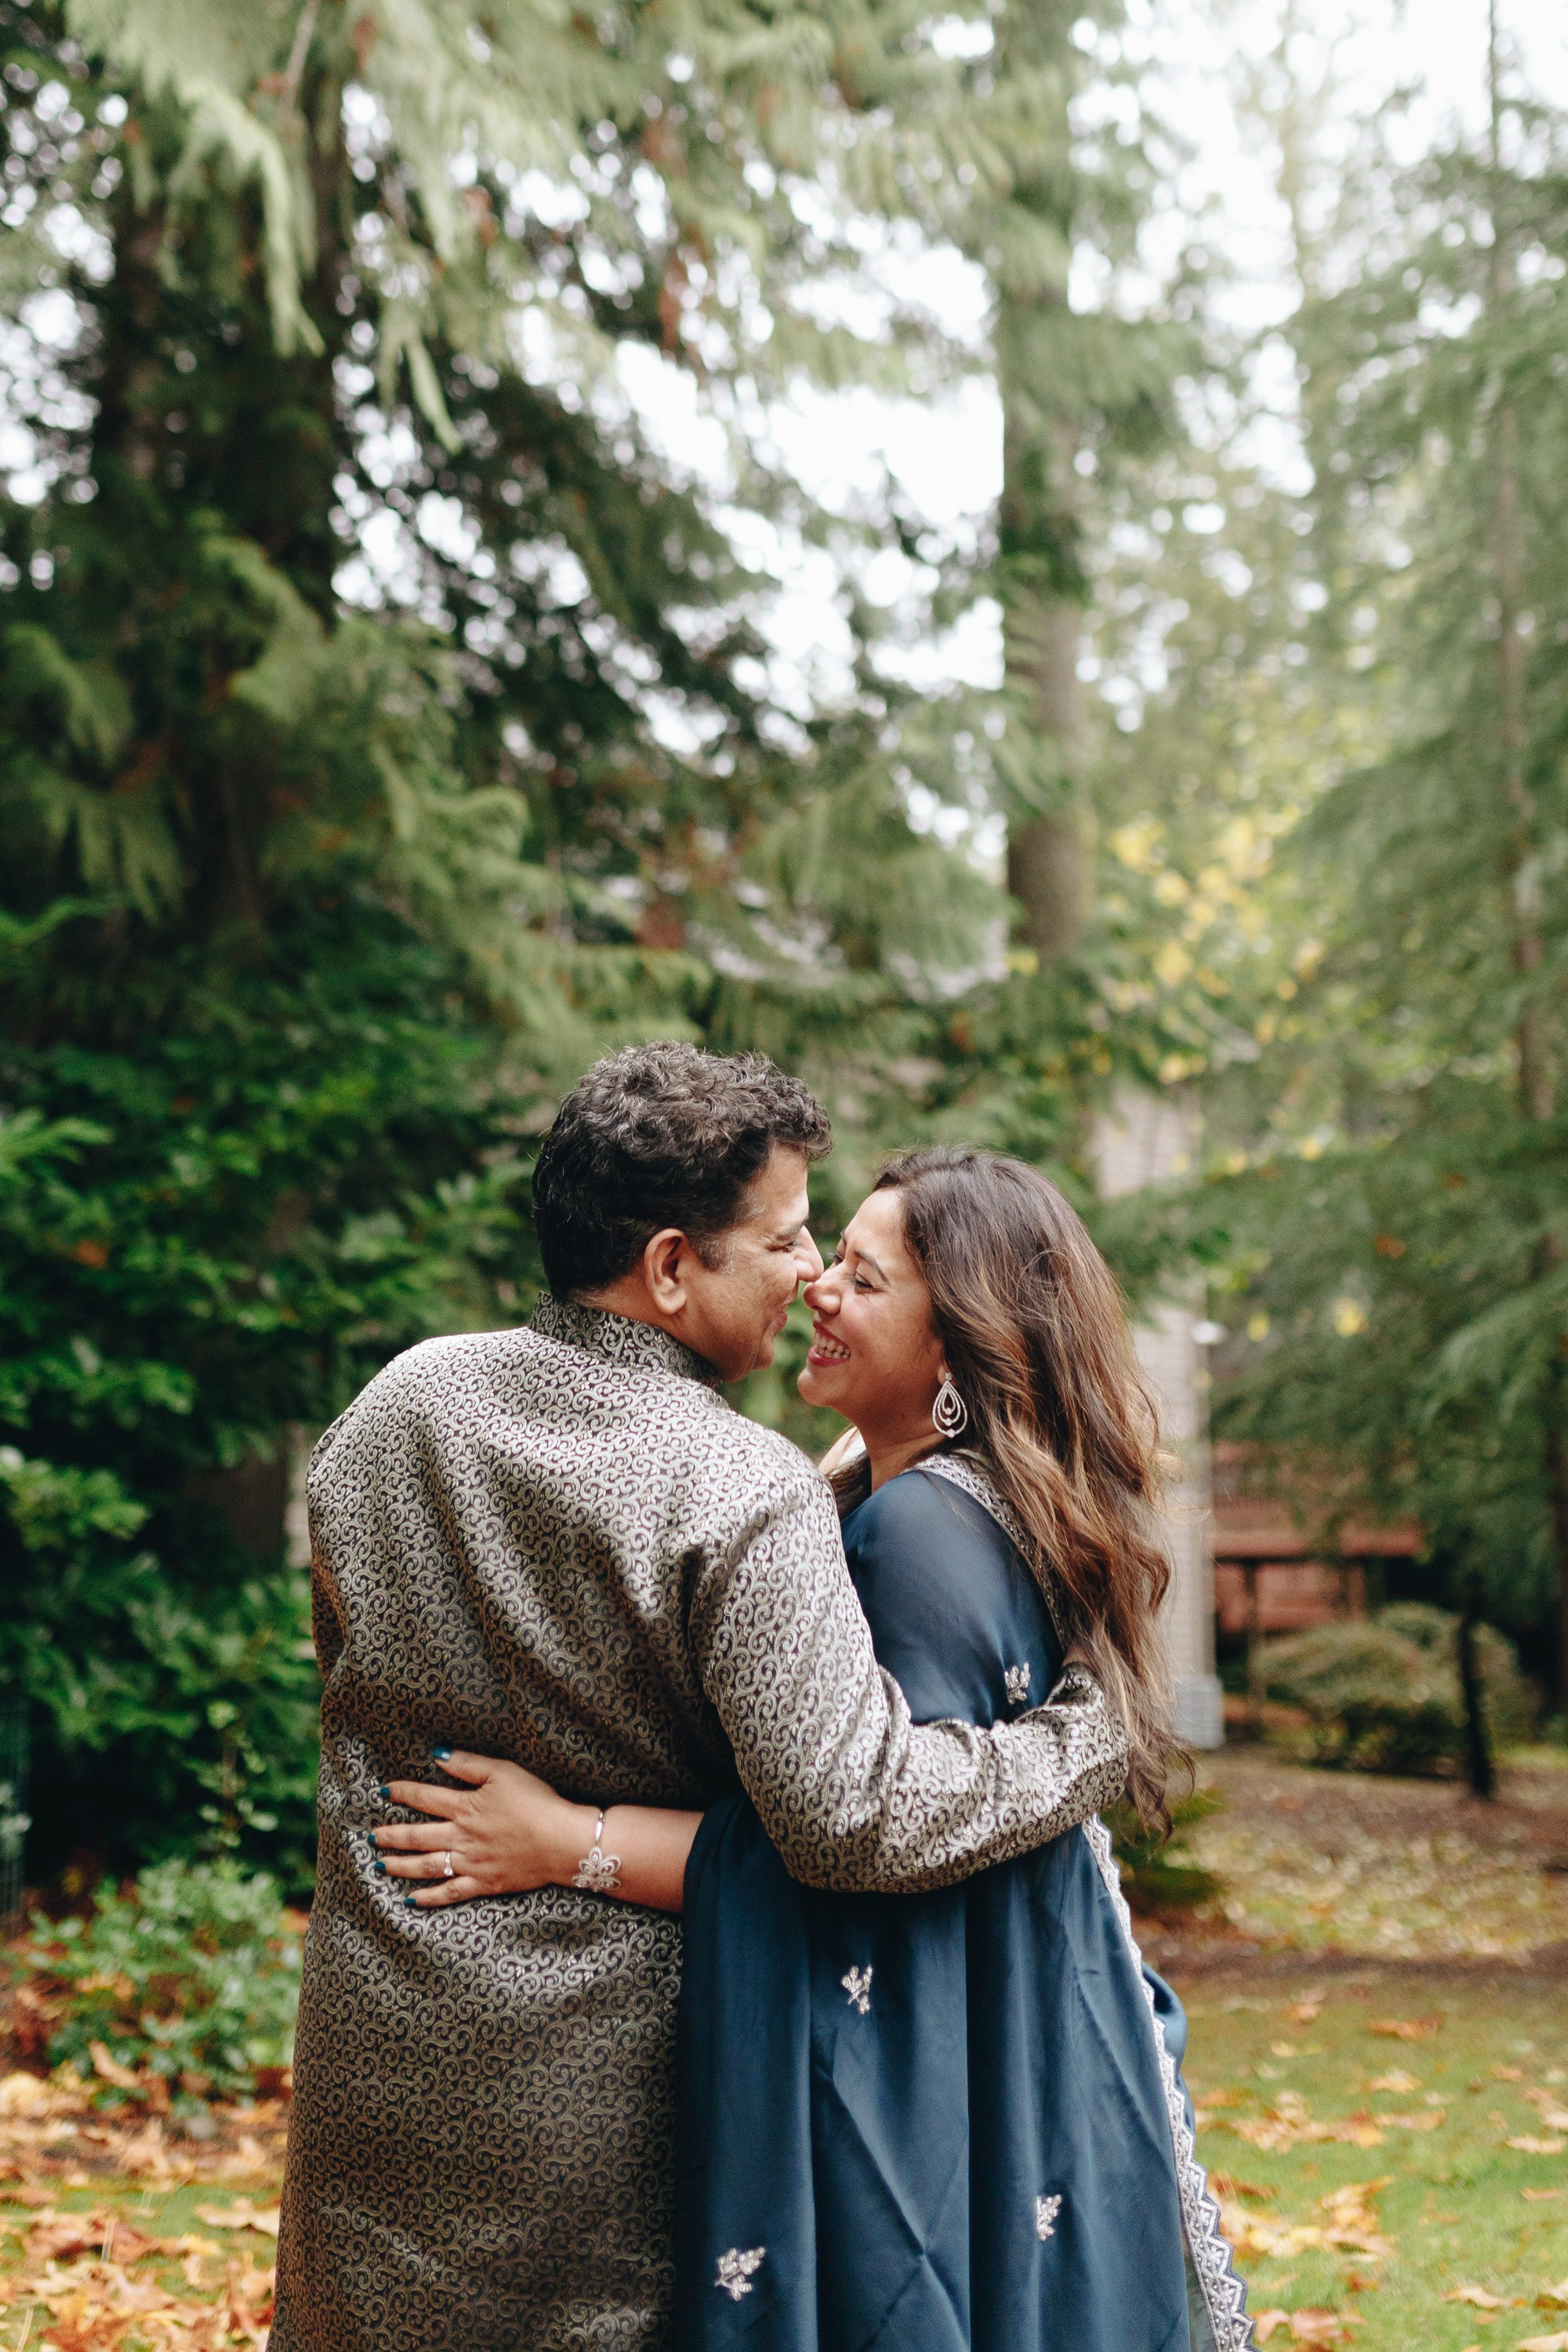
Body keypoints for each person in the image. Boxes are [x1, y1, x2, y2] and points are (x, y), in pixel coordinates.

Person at [270, 1051, 1130, 2352]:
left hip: (371, 2058)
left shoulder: (398, 1400)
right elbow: (856, 1816)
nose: (809, 1275)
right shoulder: (737, 1488)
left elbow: (347, 1654)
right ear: (673, 1268)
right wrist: (1083, 1742)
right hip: (602, 2115)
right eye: (785, 1239)